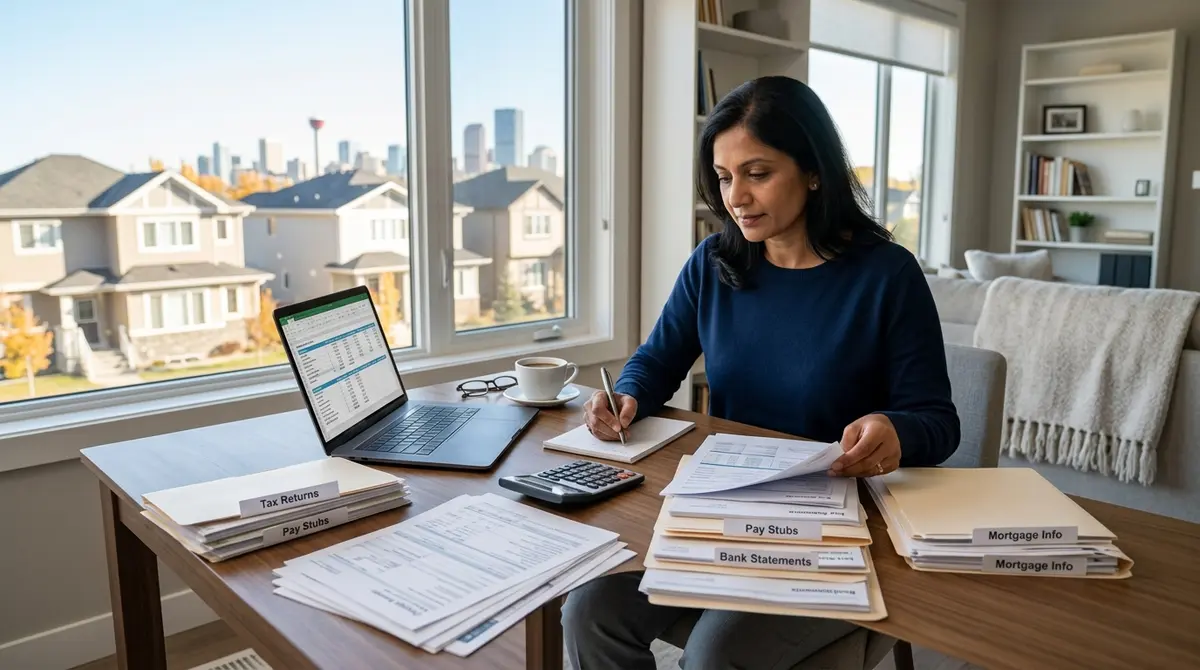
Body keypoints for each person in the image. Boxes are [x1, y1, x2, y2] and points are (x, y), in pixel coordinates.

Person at [562, 75, 960, 669]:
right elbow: (657, 359)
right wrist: (627, 395)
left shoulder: (887, 276)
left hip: (839, 523)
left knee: (712, 656)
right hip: (728, 506)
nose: (736, 198)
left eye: (758, 173)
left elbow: (938, 421)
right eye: (724, 177)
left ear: (814, 171)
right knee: (588, 610)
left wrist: (894, 427)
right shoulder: (714, 263)